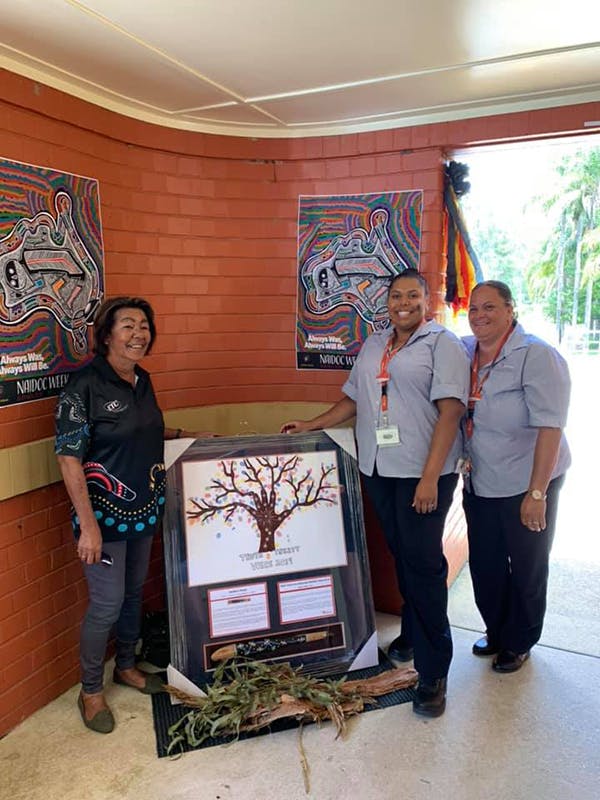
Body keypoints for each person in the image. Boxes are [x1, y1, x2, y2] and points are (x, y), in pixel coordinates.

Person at [282, 269, 469, 717]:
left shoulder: (442, 344)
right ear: (386, 302)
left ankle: (434, 672)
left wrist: (428, 478)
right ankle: (413, 634)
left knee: (423, 566)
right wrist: (314, 424)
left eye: (412, 295)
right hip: (380, 469)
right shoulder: (375, 342)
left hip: (422, 475)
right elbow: (356, 400)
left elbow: (451, 413)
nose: (403, 302)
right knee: (404, 555)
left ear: (427, 300)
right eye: (395, 296)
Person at [55, 296, 202, 733]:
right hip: (100, 516)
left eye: (144, 326)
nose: (139, 334)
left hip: (143, 508)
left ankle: (126, 666)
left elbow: (148, 431)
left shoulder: (143, 381)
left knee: (134, 592)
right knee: (106, 603)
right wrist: (88, 527)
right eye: (128, 326)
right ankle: (90, 690)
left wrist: (188, 435)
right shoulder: (84, 386)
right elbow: (68, 457)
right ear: (106, 335)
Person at [462, 281, 571, 673]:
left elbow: (551, 428)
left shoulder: (537, 355)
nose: (479, 316)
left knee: (527, 564)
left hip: (529, 480)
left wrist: (537, 493)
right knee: (486, 563)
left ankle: (520, 640)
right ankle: (496, 629)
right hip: (481, 479)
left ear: (511, 310)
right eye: (473, 309)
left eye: (489, 307)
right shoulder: (465, 350)